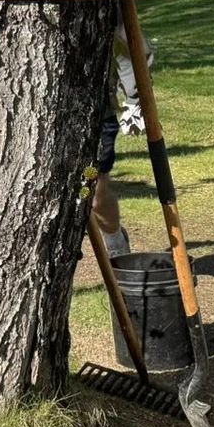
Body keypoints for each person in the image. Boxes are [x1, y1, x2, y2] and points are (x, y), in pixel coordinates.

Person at [91, 30, 151, 257]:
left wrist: (134, 100)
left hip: (95, 119)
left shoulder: (102, 2)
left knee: (92, 186)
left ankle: (116, 246)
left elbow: (131, 48)